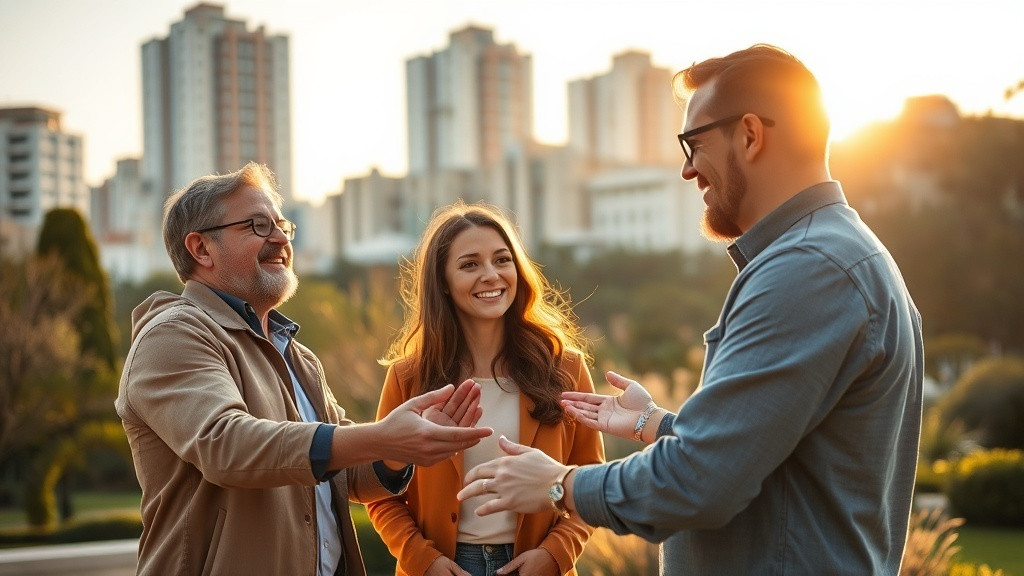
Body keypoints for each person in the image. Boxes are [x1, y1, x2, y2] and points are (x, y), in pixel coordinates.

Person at [458, 44, 924, 575]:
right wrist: (658, 424)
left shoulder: (806, 270)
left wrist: (558, 484)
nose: (687, 170)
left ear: (750, 134)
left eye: (693, 143)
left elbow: (698, 483)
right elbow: (770, 445)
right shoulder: (840, 254)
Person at [115, 162, 492, 576]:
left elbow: (345, 473)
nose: (279, 238)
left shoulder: (299, 356)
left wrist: (395, 451)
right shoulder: (173, 335)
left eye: (282, 225)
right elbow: (226, 445)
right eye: (257, 225)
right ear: (201, 249)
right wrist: (381, 436)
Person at [367, 201, 605, 576]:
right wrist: (423, 562)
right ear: (442, 283)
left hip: (538, 564)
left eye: (502, 259)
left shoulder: (566, 368)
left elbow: (591, 482)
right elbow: (381, 493)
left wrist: (556, 554)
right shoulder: (407, 378)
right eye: (469, 265)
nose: (491, 275)